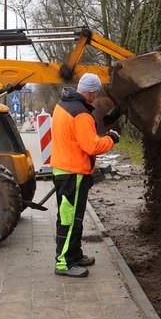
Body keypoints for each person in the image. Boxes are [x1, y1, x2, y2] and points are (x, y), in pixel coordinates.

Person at [50, 72, 119, 278]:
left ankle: (75, 255)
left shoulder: (63, 105)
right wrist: (111, 139)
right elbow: (91, 146)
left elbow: (77, 139)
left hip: (64, 170)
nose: (95, 97)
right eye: (95, 93)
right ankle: (64, 263)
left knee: (73, 218)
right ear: (90, 92)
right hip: (74, 173)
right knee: (69, 219)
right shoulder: (80, 113)